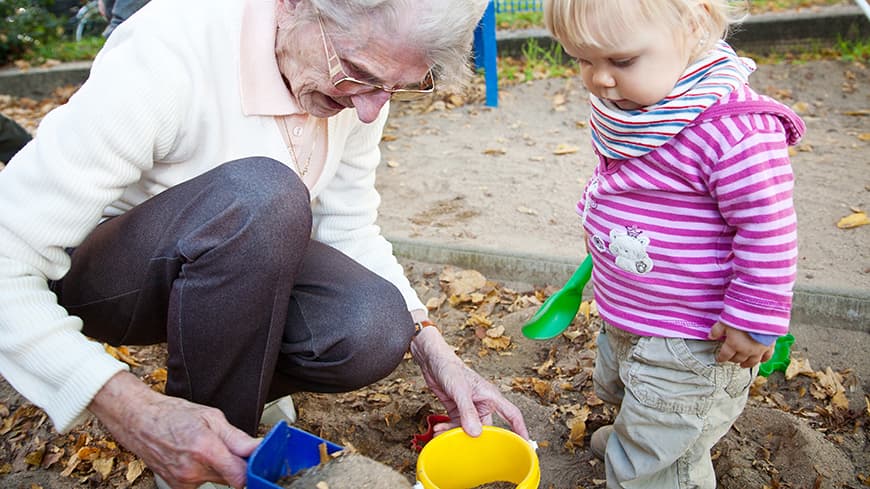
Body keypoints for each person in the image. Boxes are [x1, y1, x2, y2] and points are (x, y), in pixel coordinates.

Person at [0, 0, 529, 488]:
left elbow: (347, 227)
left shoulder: (364, 77)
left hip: (229, 253)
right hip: (104, 276)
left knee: (373, 326)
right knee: (263, 195)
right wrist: (129, 407)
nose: (370, 111)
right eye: (359, 75)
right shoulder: (170, 49)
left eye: (397, 88)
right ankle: (196, 454)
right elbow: (7, 258)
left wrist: (437, 352)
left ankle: (221, 422)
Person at [541, 0, 805, 487]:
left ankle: (652, 462)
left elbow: (769, 230)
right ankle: (636, 439)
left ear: (693, 24)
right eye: (582, 60)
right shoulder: (637, 106)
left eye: (620, 61)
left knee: (664, 443)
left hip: (695, 335)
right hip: (632, 311)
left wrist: (754, 317)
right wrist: (594, 213)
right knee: (624, 386)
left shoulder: (735, 130)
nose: (599, 79)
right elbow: (619, 177)